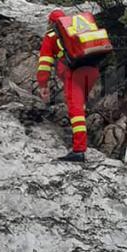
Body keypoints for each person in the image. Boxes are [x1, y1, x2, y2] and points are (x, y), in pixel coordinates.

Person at [36, 9, 100, 163]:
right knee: (80, 107)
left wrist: (43, 85)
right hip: (92, 70)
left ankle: (79, 150)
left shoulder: (51, 36)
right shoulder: (77, 29)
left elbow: (45, 64)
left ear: (51, 22)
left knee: (75, 111)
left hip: (74, 74)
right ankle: (82, 143)